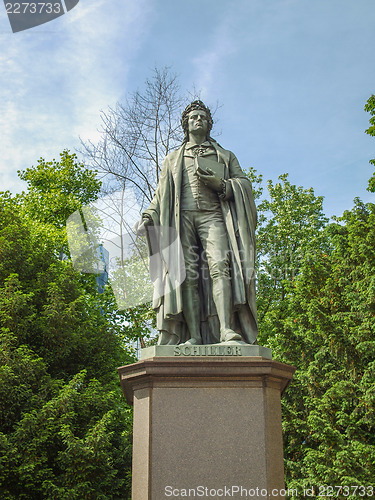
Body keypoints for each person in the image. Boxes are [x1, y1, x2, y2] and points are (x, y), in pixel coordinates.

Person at [136, 100, 258, 345]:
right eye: (193, 117)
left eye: (202, 116)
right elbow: (160, 196)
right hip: (182, 220)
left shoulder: (225, 156)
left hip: (214, 216)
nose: (198, 119)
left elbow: (244, 185)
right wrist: (148, 217)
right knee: (187, 276)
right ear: (186, 124)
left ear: (209, 124)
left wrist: (223, 186)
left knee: (219, 268)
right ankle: (193, 336)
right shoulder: (172, 159)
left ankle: (226, 330)